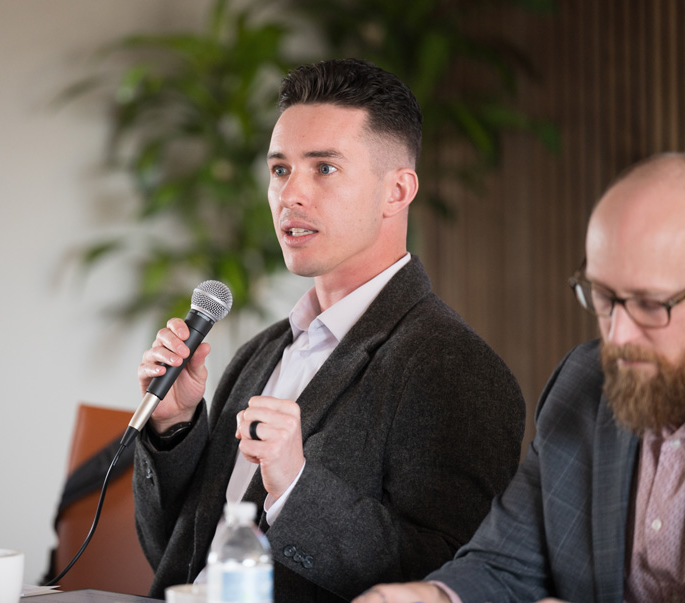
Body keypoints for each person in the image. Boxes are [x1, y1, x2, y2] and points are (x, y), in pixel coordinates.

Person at [133, 58, 526, 603]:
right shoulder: (260, 354)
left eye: (324, 168)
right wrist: (173, 429)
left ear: (397, 191)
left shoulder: (454, 368)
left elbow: (447, 576)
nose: (291, 194)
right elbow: (177, 558)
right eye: (279, 170)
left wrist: (296, 486)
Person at [353, 152, 685, 603]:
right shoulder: (586, 385)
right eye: (603, 297)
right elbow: (505, 565)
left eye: (649, 304)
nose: (617, 336)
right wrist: (423, 598)